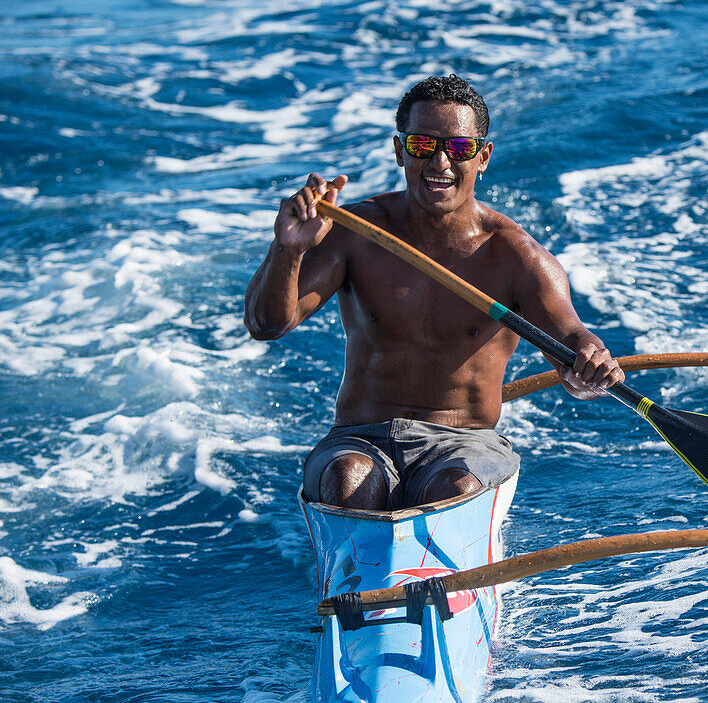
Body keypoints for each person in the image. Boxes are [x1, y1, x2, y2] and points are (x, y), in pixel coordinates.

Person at [244, 74, 624, 511]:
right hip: (359, 439)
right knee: (349, 480)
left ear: (482, 158)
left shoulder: (517, 257)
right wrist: (287, 250)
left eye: (459, 148)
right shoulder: (355, 233)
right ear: (399, 150)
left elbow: (572, 344)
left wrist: (592, 362)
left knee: (451, 488)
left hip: (465, 445)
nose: (440, 162)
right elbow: (267, 324)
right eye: (423, 146)